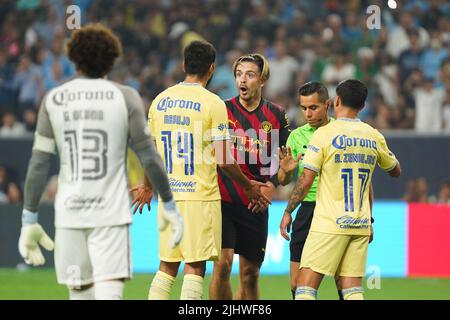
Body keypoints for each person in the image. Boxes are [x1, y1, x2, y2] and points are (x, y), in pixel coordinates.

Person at [17, 23, 183, 300]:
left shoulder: (53, 99)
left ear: (74, 58)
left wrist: (28, 218)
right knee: (109, 293)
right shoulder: (126, 97)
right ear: (111, 58)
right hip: (111, 215)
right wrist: (168, 203)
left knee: (79, 294)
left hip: (70, 214)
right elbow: (149, 157)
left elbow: (38, 164)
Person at [132, 41, 270, 300]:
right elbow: (224, 160)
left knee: (167, 266)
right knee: (195, 266)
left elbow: (149, 154)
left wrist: (148, 187)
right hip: (200, 197)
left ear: (184, 65)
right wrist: (248, 186)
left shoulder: (160, 101)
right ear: (212, 68)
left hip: (169, 198)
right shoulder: (213, 104)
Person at [281, 79, 401, 300]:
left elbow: (306, 179)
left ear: (335, 101)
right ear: (363, 106)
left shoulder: (325, 134)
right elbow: (395, 170)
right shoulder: (373, 135)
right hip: (360, 223)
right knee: (351, 288)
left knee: (305, 287)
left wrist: (288, 210)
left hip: (329, 221)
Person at [209, 53, 291, 300]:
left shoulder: (276, 115)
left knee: (250, 273)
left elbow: (283, 164)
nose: (242, 80)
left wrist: (273, 184)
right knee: (222, 265)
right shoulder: (221, 110)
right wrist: (250, 186)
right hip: (223, 198)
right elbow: (220, 157)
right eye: (239, 74)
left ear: (262, 79)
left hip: (256, 204)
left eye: (250, 75)